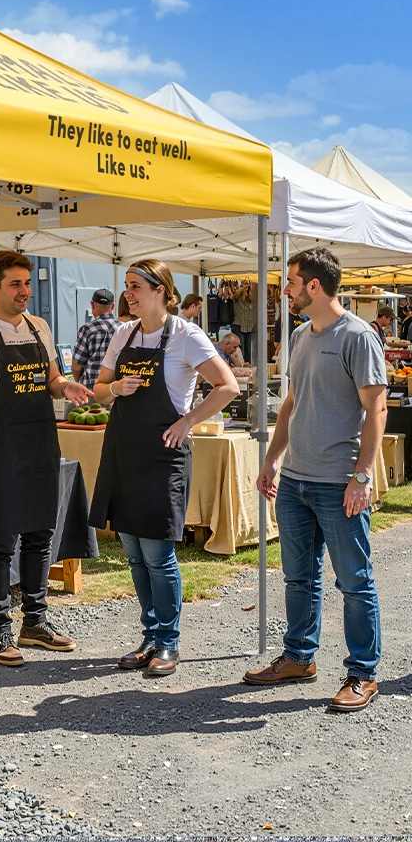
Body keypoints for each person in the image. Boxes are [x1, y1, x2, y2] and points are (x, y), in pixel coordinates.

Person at [245, 246, 387, 712]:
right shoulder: (301, 336)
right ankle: (299, 657)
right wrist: (271, 461)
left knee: (354, 580)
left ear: (313, 285)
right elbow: (291, 404)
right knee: (298, 577)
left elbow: (376, 410)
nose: (284, 289)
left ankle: (363, 673)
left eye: (289, 281)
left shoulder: (359, 336)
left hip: (338, 480)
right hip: (296, 480)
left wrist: (362, 476)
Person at [90, 259, 238, 676]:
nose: (128, 294)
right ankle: (151, 635)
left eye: (136, 286)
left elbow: (228, 386)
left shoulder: (187, 336)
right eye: (126, 287)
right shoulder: (123, 333)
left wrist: (187, 420)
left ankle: (168, 642)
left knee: (157, 552)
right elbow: (100, 392)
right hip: (123, 450)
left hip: (163, 455)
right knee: (134, 553)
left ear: (161, 290)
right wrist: (116, 387)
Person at [0, 250, 88, 666]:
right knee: (1, 539)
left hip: (43, 443)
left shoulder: (39, 327)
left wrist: (67, 389)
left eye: (27, 283)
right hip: (2, 448)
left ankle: (35, 622)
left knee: (41, 535)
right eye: (15, 284)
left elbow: (51, 379)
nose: (25, 291)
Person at [72, 288, 120, 391]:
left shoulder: (87, 329)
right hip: (115, 391)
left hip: (90, 390)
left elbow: (76, 366)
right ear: (113, 306)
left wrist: (79, 382)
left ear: (92, 304)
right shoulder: (124, 328)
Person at [232, 281, 258, 364]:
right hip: (238, 326)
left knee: (249, 350)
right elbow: (235, 296)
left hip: (249, 328)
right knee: (241, 349)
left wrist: (250, 289)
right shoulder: (237, 299)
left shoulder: (251, 301)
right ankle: (240, 365)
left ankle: (248, 366)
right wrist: (243, 287)